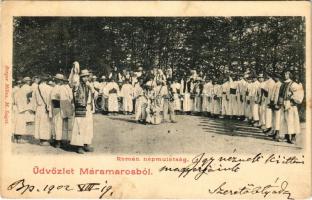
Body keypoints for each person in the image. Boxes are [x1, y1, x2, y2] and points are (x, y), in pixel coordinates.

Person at [71, 69, 95, 153]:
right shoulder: (77, 84)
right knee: (79, 127)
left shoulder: (89, 85)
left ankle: (86, 144)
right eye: (84, 77)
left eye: (87, 76)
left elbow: (94, 94)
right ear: (81, 77)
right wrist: (75, 70)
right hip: (80, 108)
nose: (85, 78)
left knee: (88, 127)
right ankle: (79, 146)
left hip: (88, 107)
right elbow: (74, 82)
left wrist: (91, 87)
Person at [279, 71, 304, 144]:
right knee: (284, 121)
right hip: (283, 104)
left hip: (291, 104)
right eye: (284, 74)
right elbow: (280, 95)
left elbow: (299, 93)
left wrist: (293, 97)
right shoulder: (283, 84)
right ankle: (286, 137)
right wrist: (280, 102)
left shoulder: (294, 84)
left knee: (292, 120)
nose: (285, 75)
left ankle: (293, 136)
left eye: (287, 74)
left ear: (290, 75)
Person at [33, 76, 52, 145]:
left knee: (39, 123)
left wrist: (34, 109)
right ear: (46, 81)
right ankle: (44, 140)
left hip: (39, 107)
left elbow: (34, 100)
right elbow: (50, 100)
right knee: (45, 123)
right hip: (45, 108)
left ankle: (41, 139)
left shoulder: (36, 88)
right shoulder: (49, 88)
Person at [13, 77, 33, 143]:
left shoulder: (20, 89)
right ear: (27, 81)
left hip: (18, 107)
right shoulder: (27, 88)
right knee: (20, 123)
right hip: (22, 107)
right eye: (29, 81)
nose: (29, 82)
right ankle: (19, 138)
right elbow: (29, 97)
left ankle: (16, 137)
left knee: (17, 122)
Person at [50, 73, 67, 148]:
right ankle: (58, 141)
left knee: (56, 124)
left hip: (55, 107)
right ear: (60, 81)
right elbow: (59, 98)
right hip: (59, 107)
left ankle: (57, 140)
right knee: (58, 124)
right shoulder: (60, 88)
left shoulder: (54, 88)